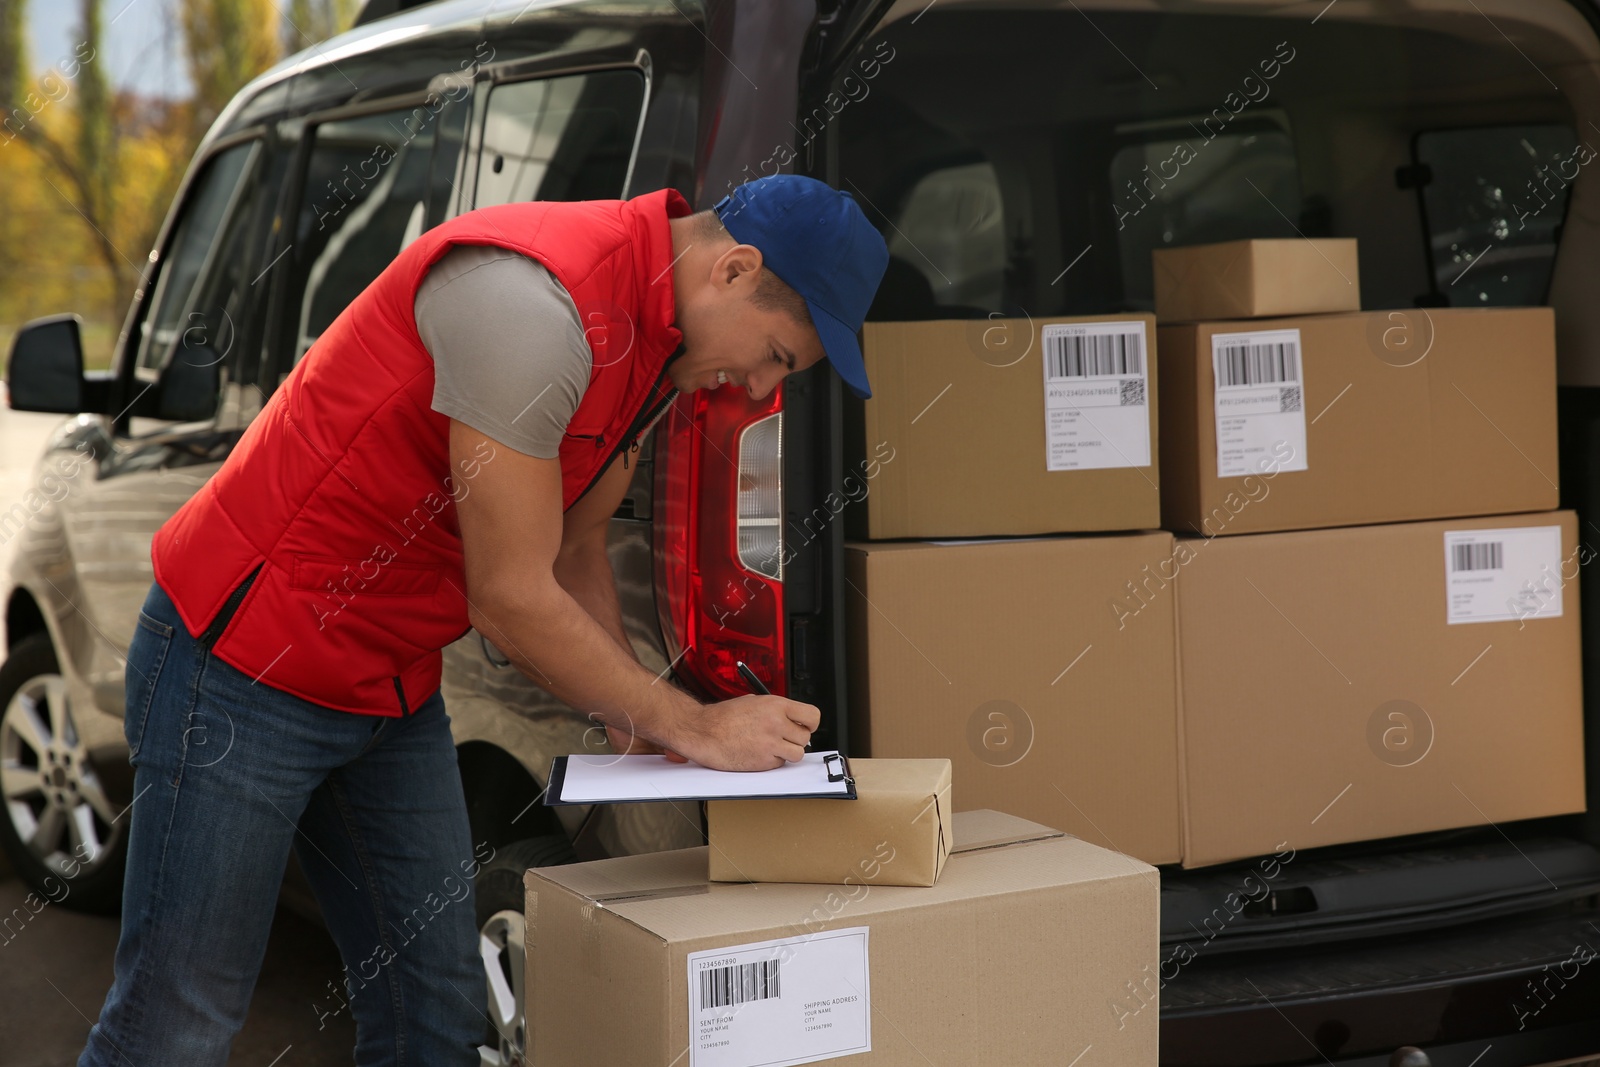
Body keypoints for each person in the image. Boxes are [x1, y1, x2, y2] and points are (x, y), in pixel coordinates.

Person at [77, 174, 890, 1066]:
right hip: (241, 669)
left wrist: (634, 720)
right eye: (777, 354)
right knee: (176, 1026)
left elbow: (575, 550)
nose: (762, 381)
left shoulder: (659, 347)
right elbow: (509, 595)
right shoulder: (534, 306)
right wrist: (692, 725)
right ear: (734, 271)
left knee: (435, 1021)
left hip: (388, 681)